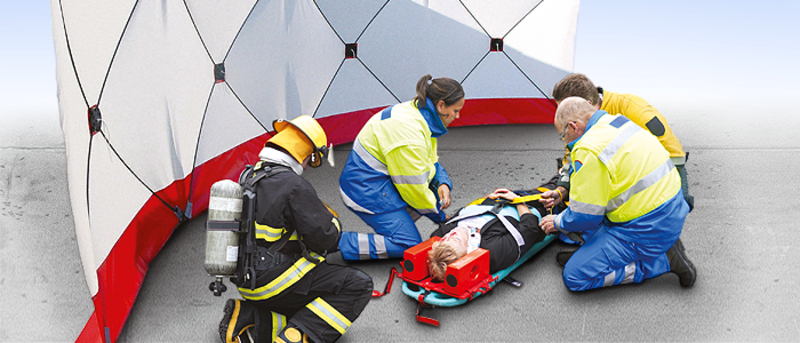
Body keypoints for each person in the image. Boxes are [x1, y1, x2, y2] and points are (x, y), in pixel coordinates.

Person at [219, 116, 373, 343]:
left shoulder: (250, 176)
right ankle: (295, 339)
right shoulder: (293, 186)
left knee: (309, 308)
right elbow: (326, 241)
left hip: (246, 280)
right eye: (310, 160)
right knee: (357, 285)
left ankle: (246, 316)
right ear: (304, 155)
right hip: (275, 281)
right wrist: (332, 221)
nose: (307, 166)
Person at [538, 97, 696, 291]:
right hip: (671, 209)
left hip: (646, 228)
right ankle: (598, 255)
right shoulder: (617, 122)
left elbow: (584, 216)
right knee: (580, 231)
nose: (565, 140)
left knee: (574, 277)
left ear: (573, 126)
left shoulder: (588, 149)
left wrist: (557, 222)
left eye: (563, 135)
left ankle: (662, 261)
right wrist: (563, 192)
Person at [337, 74, 464, 260]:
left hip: (381, 182)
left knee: (431, 195)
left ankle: (397, 220)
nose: (458, 116)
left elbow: (429, 161)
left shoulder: (417, 114)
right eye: (456, 110)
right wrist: (442, 219)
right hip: (365, 190)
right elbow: (415, 190)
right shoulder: (409, 136)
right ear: (441, 105)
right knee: (408, 245)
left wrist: (442, 183)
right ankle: (336, 242)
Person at [548, 73, 693, 211]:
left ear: (587, 104)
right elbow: (572, 158)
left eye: (566, 111)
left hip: (659, 174)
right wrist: (563, 188)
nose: (563, 116)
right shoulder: (578, 122)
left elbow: (674, 155)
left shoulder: (635, 110)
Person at [427, 187, 554, 281]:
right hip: (535, 207)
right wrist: (517, 201)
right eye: (457, 239)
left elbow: (464, 212)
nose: (452, 233)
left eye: (445, 238)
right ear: (467, 252)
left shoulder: (443, 234)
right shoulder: (493, 250)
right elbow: (530, 229)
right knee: (558, 189)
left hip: (500, 201)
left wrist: (487, 198)